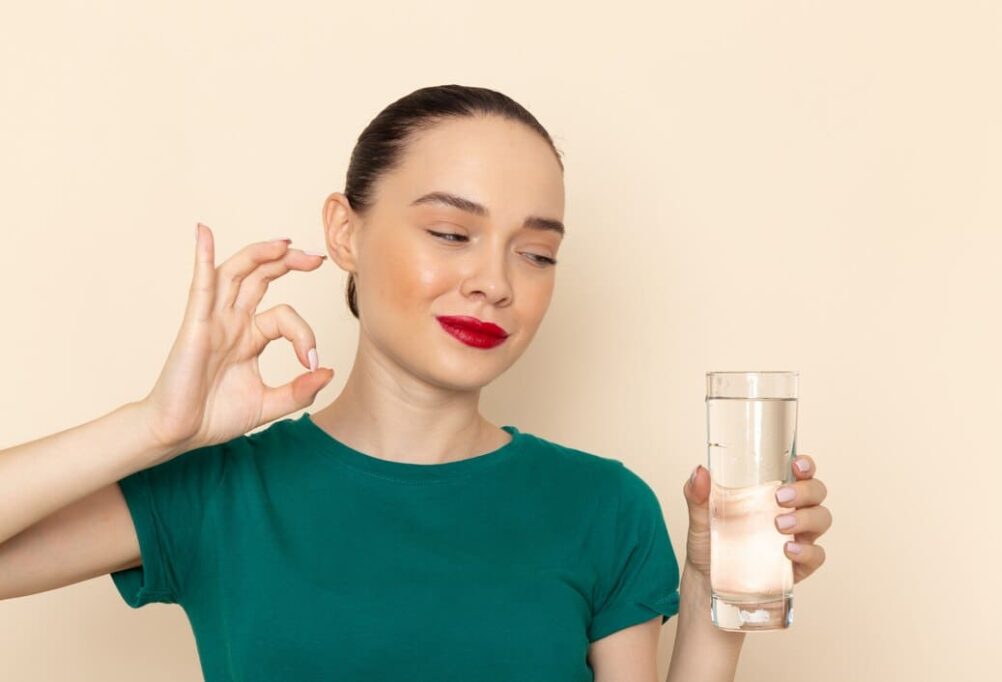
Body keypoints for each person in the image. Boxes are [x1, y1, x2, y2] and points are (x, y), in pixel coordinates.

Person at [0, 85, 832, 681]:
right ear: (346, 232)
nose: (496, 282)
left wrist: (717, 595)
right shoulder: (224, 493)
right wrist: (154, 428)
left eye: (536, 252)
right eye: (450, 231)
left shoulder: (601, 508)